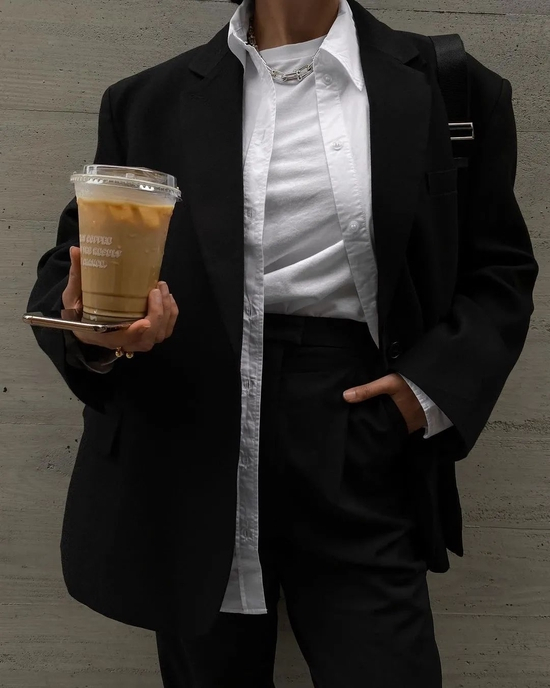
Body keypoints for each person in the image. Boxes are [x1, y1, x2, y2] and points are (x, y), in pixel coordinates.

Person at [27, 0, 538, 685]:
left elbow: (498, 270)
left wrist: (424, 395)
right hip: (191, 434)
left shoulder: (448, 84)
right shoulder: (150, 102)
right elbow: (75, 267)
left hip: (358, 429)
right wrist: (100, 330)